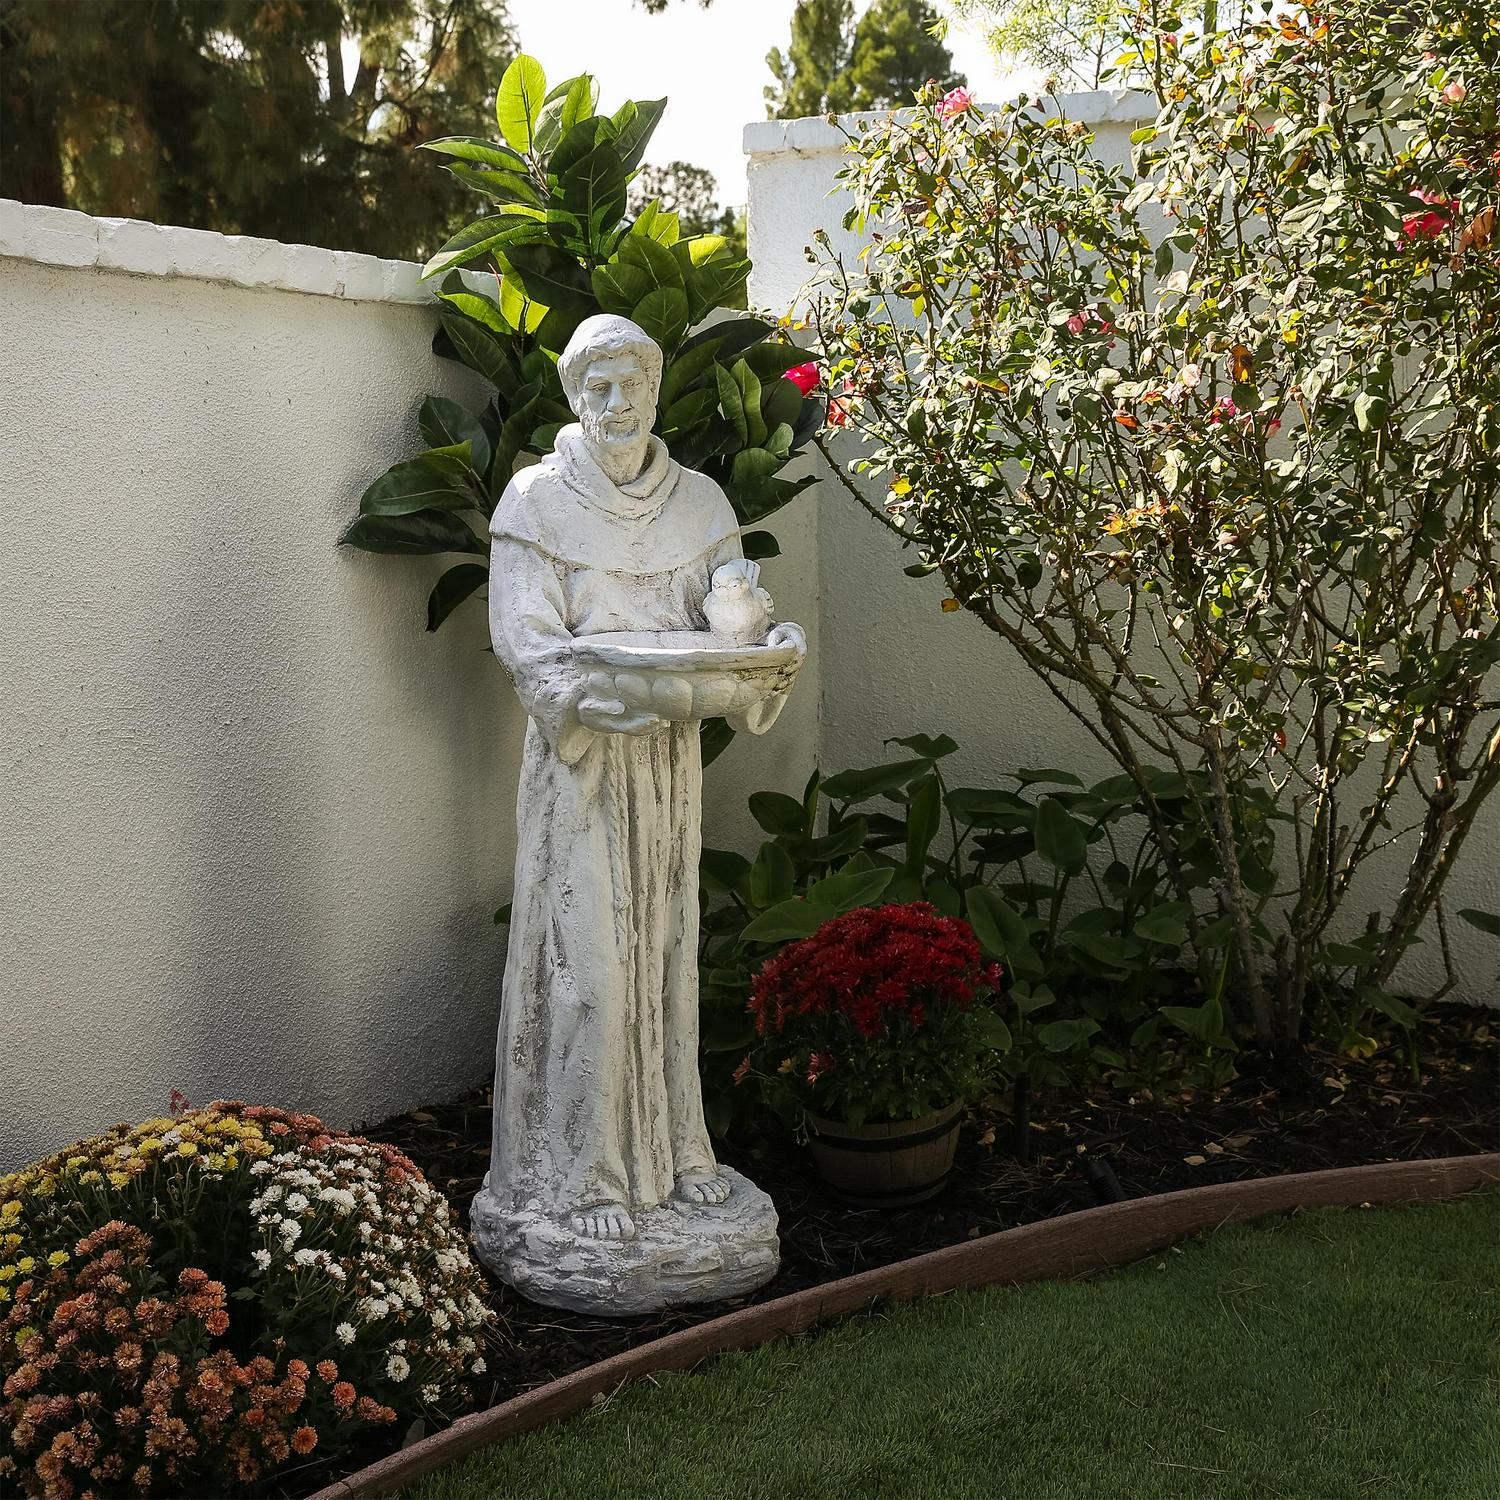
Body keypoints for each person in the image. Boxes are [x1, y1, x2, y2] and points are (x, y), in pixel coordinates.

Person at [481, 314, 804, 1253]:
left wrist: (761, 637)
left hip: (663, 762)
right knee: (589, 965)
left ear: (657, 390)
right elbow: (525, 637)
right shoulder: (535, 501)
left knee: (663, 951)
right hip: (582, 763)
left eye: (633, 384)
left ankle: (675, 1155)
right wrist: (582, 699)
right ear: (575, 396)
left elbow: (730, 618)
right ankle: (581, 1175)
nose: (618, 404)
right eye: (600, 387)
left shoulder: (699, 501)